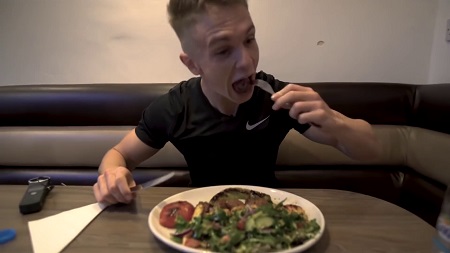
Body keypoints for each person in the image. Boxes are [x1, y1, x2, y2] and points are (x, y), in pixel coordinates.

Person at [93, 0, 382, 205]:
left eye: (250, 39)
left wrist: (333, 120)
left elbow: (369, 150)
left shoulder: (276, 97)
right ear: (193, 64)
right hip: (202, 218)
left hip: (269, 214)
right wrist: (113, 174)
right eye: (223, 50)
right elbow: (120, 154)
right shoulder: (174, 107)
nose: (247, 62)